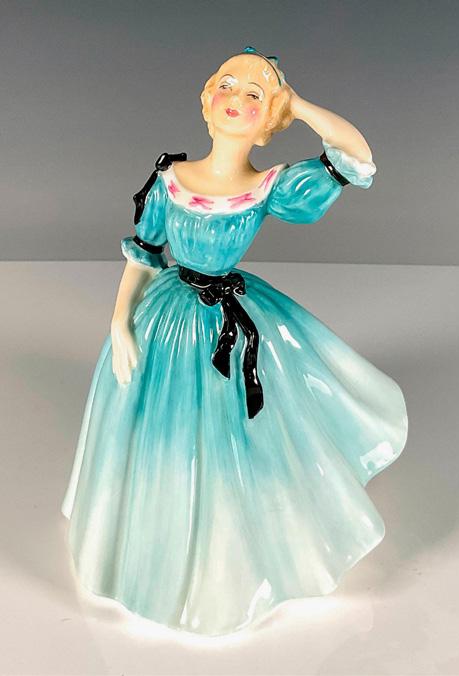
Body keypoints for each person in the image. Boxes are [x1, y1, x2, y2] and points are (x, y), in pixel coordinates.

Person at [61, 47, 408, 636]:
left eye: (254, 94)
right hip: (166, 318)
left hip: (231, 316)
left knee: (235, 431)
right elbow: (143, 254)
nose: (236, 99)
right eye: (227, 84)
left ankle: (229, 543)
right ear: (206, 99)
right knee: (158, 427)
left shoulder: (268, 187)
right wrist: (120, 320)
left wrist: (297, 104)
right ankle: (148, 535)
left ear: (268, 117)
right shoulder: (170, 179)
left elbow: (356, 157)